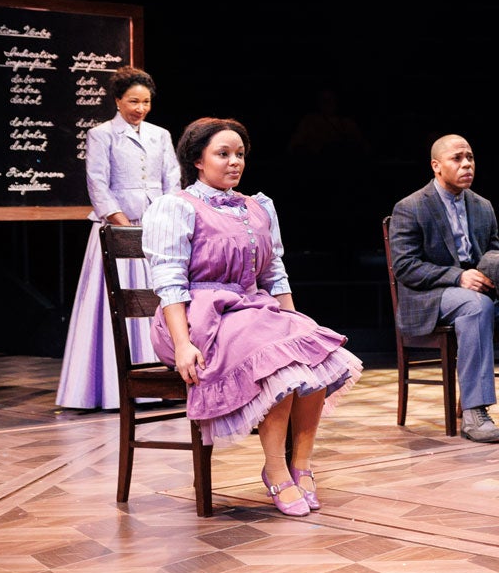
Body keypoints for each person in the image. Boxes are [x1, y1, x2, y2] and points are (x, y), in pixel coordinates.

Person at [141, 117, 360, 516]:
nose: (234, 162)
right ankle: (275, 470)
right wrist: (183, 343)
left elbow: (274, 273)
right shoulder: (176, 207)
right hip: (199, 318)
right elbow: (170, 282)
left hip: (252, 310)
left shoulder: (258, 207)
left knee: (312, 352)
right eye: (222, 154)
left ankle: (302, 465)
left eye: (239, 154)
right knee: (276, 357)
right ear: (197, 160)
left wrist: (296, 329)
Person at [388, 134, 499, 443]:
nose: (467, 164)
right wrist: (457, 277)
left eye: (470, 157)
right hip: (431, 295)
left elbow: (492, 255)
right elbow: (405, 267)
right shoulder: (411, 207)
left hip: (477, 291)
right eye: (457, 158)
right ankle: (475, 413)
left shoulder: (482, 206)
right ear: (436, 166)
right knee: (476, 306)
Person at [56, 67, 177, 410]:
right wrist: (122, 225)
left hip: (153, 228)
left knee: (156, 301)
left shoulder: (160, 135)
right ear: (118, 101)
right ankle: (110, 388)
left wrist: (165, 217)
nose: (140, 108)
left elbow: (172, 180)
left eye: (146, 102)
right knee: (114, 303)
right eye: (133, 101)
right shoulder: (101, 135)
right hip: (117, 228)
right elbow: (98, 183)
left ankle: (160, 381)